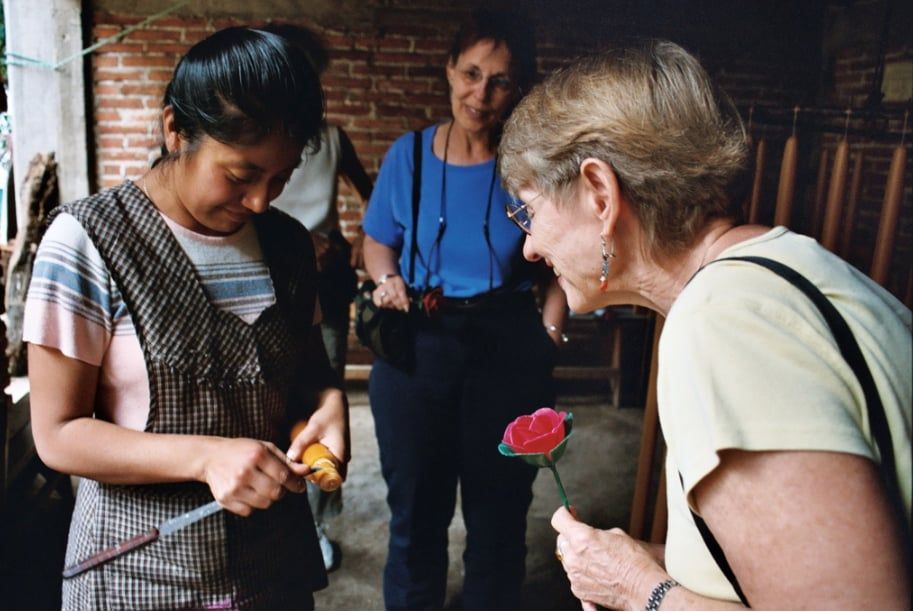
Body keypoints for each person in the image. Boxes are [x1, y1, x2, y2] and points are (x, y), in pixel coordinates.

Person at [498, 40, 911, 610]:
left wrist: (641, 589)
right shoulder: (784, 268)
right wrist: (662, 563)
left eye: (528, 212)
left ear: (600, 194)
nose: (529, 248)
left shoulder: (723, 328)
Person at [24, 27, 349, 609]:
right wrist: (206, 456)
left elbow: (309, 378)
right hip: (138, 573)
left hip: (271, 571)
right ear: (175, 129)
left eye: (281, 178)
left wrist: (328, 408)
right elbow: (57, 434)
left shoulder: (289, 245)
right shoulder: (88, 241)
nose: (259, 201)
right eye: (241, 174)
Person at [361, 9, 568, 610]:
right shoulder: (411, 156)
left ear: (518, 87)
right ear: (449, 70)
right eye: (471, 73)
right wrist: (386, 276)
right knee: (416, 506)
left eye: (500, 79)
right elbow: (378, 239)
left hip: (507, 340)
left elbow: (560, 260)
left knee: (499, 505)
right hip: (419, 339)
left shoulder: (530, 167)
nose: (481, 93)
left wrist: (552, 327)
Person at [263, 22, 374, 573]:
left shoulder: (330, 139)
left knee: (323, 395)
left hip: (323, 281)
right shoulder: (249, 138)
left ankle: (317, 523)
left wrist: (358, 243)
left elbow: (373, 198)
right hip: (267, 273)